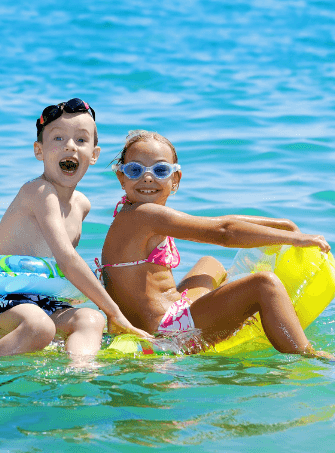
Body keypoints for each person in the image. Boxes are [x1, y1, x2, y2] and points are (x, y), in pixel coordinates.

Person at [98, 129, 331, 356]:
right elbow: (223, 232)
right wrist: (296, 238)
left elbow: (220, 222)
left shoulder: (131, 213)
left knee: (209, 263)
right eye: (135, 169)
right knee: (264, 284)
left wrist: (282, 224)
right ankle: (308, 354)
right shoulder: (145, 214)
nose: (147, 177)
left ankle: (230, 307)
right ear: (121, 177)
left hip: (170, 311)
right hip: (167, 334)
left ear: (175, 178)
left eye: (160, 169)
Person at [0, 98, 151, 360]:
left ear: (94, 155)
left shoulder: (82, 205)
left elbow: (62, 270)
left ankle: (79, 373)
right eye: (58, 139)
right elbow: (67, 258)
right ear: (39, 150)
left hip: (40, 299)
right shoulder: (39, 192)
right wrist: (114, 312)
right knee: (40, 327)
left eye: (81, 140)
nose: (70, 146)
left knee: (90, 319)